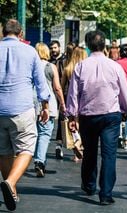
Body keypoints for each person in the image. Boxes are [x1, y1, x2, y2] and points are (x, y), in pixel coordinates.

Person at [66, 30, 127, 205]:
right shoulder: (115, 66)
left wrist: (72, 115)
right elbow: (124, 91)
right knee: (109, 155)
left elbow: (73, 93)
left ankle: (89, 184)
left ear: (88, 45)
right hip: (110, 114)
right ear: (105, 46)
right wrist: (125, 109)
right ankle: (106, 194)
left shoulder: (81, 66)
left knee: (90, 152)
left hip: (88, 115)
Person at [0, 19, 50, 211]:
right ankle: (11, 183)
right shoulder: (30, 52)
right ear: (21, 34)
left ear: (3, 32)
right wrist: (45, 105)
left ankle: (10, 188)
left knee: (3, 151)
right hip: (21, 108)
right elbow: (40, 82)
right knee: (27, 148)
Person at [33, 42, 66, 177]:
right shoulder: (50, 66)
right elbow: (57, 88)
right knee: (45, 133)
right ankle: (40, 161)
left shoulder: (31, 66)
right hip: (48, 102)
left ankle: (39, 160)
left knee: (34, 134)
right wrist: (62, 104)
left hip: (31, 102)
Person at [61, 46, 88, 162]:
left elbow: (62, 86)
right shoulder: (86, 69)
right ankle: (80, 144)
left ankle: (76, 150)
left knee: (73, 126)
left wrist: (62, 102)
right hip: (84, 99)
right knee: (84, 126)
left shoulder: (68, 68)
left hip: (70, 99)